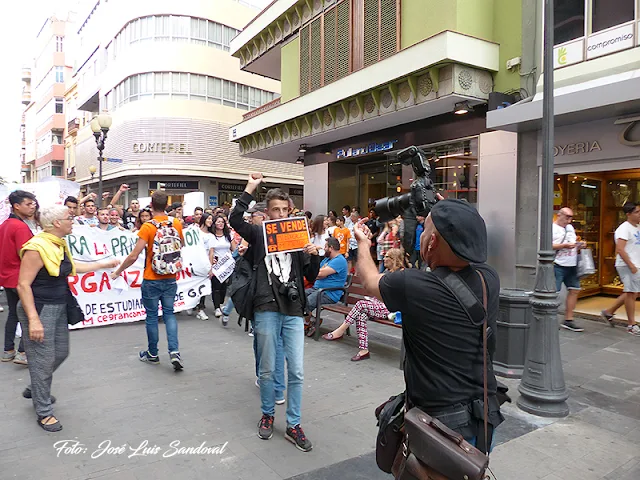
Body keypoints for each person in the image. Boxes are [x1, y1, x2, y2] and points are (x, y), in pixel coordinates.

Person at [353, 199, 503, 452]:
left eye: (427, 232)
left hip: (441, 429)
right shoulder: (488, 278)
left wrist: (363, 243)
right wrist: (451, 211)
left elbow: (368, 280)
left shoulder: (413, 286)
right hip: (483, 417)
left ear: (432, 242)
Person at [230, 173, 320, 452]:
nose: (280, 214)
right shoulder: (259, 234)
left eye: (284, 209)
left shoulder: (297, 235)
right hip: (266, 306)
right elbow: (235, 220)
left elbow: (310, 275)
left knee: (297, 370)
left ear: (290, 211)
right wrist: (250, 188)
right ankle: (268, 414)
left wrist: (314, 255)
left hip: (293, 309)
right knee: (268, 369)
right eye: (275, 210)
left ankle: (294, 424)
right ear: (268, 213)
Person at [17, 205, 119, 431]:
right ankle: (43, 412)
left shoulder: (58, 244)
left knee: (61, 353)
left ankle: (36, 388)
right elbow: (23, 285)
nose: (72, 220)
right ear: (56, 223)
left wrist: (103, 264)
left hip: (59, 305)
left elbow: (71, 268)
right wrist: (33, 319)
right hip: (41, 308)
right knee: (42, 361)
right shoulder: (37, 248)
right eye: (69, 217)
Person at [110, 191, 185, 370]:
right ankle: (174, 351)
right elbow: (181, 244)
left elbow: (134, 255)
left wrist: (118, 271)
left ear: (151, 206)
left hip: (152, 277)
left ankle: (153, 354)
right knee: (169, 314)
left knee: (152, 317)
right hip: (170, 276)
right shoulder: (175, 223)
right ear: (167, 204)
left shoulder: (148, 227)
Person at [322, 247, 406, 361]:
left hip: (392, 309)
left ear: (394, 259)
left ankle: (341, 330)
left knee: (361, 304)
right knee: (361, 315)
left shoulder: (401, 274)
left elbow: (395, 296)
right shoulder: (387, 272)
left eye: (387, 257)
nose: (384, 258)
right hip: (381, 305)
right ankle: (364, 350)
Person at [0, 191, 37, 365]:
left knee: (14, 314)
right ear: (16, 206)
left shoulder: (5, 224)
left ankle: (8, 350)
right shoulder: (20, 227)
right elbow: (25, 254)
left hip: (7, 277)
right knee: (30, 314)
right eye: (28, 204)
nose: (33, 206)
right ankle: (23, 352)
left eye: (33, 203)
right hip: (21, 278)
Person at [601, 202, 640, 336]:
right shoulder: (624, 228)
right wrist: (631, 265)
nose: (639, 214)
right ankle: (631, 324)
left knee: (632, 292)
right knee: (631, 293)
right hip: (628, 265)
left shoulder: (637, 227)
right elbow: (620, 249)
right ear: (628, 214)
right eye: (637, 212)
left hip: (635, 264)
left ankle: (608, 312)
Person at [304, 237, 348, 336]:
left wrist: (321, 273)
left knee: (307, 302)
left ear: (331, 248)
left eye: (325, 246)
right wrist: (320, 273)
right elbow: (316, 273)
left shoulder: (339, 260)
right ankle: (313, 320)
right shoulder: (327, 260)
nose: (324, 248)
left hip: (329, 293)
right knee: (300, 296)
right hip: (318, 289)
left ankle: (309, 322)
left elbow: (319, 274)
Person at [552, 207, 585, 332]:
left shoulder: (570, 228)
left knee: (575, 290)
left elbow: (573, 241)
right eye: (567, 217)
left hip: (572, 264)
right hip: (557, 264)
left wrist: (580, 244)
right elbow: (548, 245)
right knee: (554, 293)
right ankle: (552, 318)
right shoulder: (552, 228)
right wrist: (564, 245)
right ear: (559, 215)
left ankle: (569, 319)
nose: (569, 220)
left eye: (571, 217)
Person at [210, 214, 238, 324]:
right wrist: (211, 262)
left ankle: (221, 303)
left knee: (224, 286)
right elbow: (211, 250)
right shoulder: (212, 236)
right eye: (218, 222)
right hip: (217, 265)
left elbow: (234, 248)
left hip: (227, 264)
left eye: (222, 222)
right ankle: (217, 307)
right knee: (216, 286)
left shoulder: (228, 235)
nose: (220, 224)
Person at [195, 212, 215, 321]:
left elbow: (211, 252)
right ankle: (193, 304)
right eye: (209, 219)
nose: (210, 221)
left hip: (204, 263)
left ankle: (200, 308)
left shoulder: (211, 236)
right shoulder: (195, 232)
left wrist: (210, 267)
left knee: (203, 286)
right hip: (195, 262)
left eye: (212, 219)